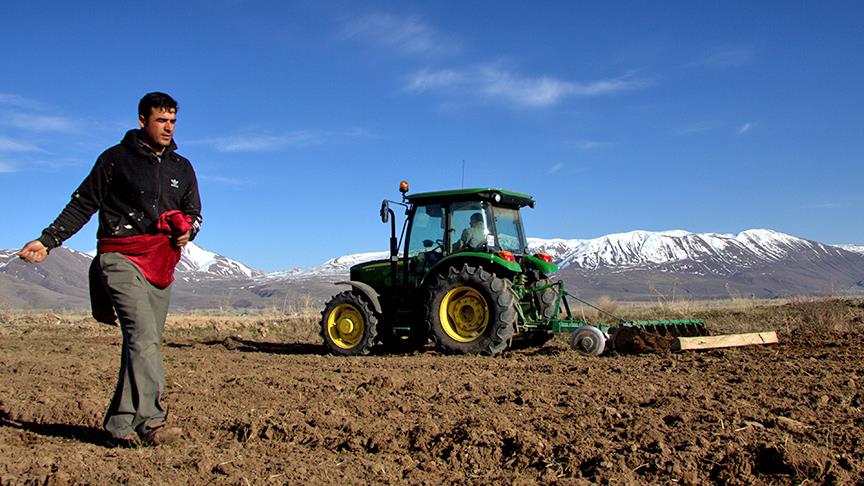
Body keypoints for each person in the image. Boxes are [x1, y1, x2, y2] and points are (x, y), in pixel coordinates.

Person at [17, 92, 202, 447]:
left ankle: (119, 423)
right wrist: (48, 240)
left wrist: (187, 230)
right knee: (144, 337)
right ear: (142, 121)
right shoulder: (115, 160)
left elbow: (194, 212)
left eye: (173, 121)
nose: (168, 127)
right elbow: (83, 203)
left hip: (160, 261)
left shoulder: (183, 167)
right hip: (119, 256)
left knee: (143, 343)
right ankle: (152, 422)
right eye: (161, 120)